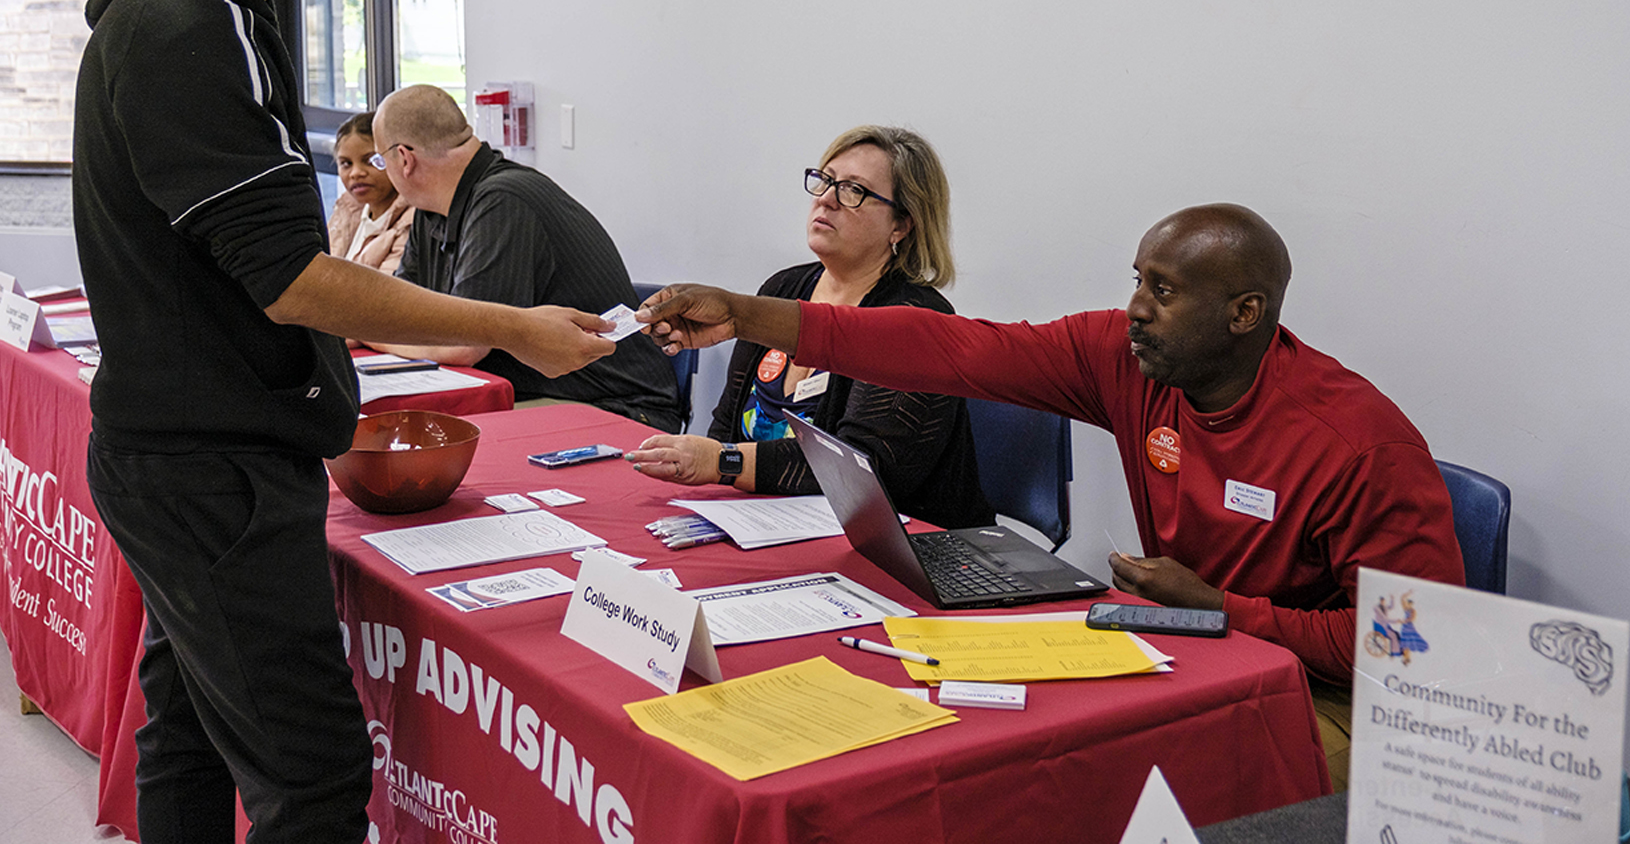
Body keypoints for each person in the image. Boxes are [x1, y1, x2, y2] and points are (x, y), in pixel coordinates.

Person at [72, 0, 614, 843]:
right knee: (312, 781)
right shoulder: (189, 28)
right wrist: (512, 328)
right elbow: (289, 281)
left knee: (187, 735)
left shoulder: (208, 13)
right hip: (210, 468)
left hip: (191, 450)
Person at [637, 202, 1466, 792]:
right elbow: (952, 350)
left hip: (1341, 699)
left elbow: (1417, 656)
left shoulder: (1357, 447)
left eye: (1166, 292)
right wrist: (749, 315)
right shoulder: (1130, 357)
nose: (1137, 308)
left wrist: (1220, 609)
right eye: (1139, 280)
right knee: (997, 746)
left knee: (1117, 778)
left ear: (1245, 313)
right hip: (1193, 644)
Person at [624, 126, 993, 529]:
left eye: (854, 190)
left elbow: (859, 473)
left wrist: (719, 462)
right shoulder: (783, 290)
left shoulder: (916, 319)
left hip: (905, 550)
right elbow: (728, 422)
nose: (827, 198)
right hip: (765, 525)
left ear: (901, 225)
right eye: (825, 180)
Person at [365, 83, 681, 431]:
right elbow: (404, 310)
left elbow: (464, 344)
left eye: (380, 160)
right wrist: (382, 323)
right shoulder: (433, 207)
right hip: (535, 395)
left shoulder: (503, 201)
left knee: (428, 441)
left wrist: (363, 330)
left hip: (612, 407)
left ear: (405, 159)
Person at [328, 110, 414, 274]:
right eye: (346, 163)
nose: (356, 173)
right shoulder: (346, 209)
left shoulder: (411, 222)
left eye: (370, 161)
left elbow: (386, 294)